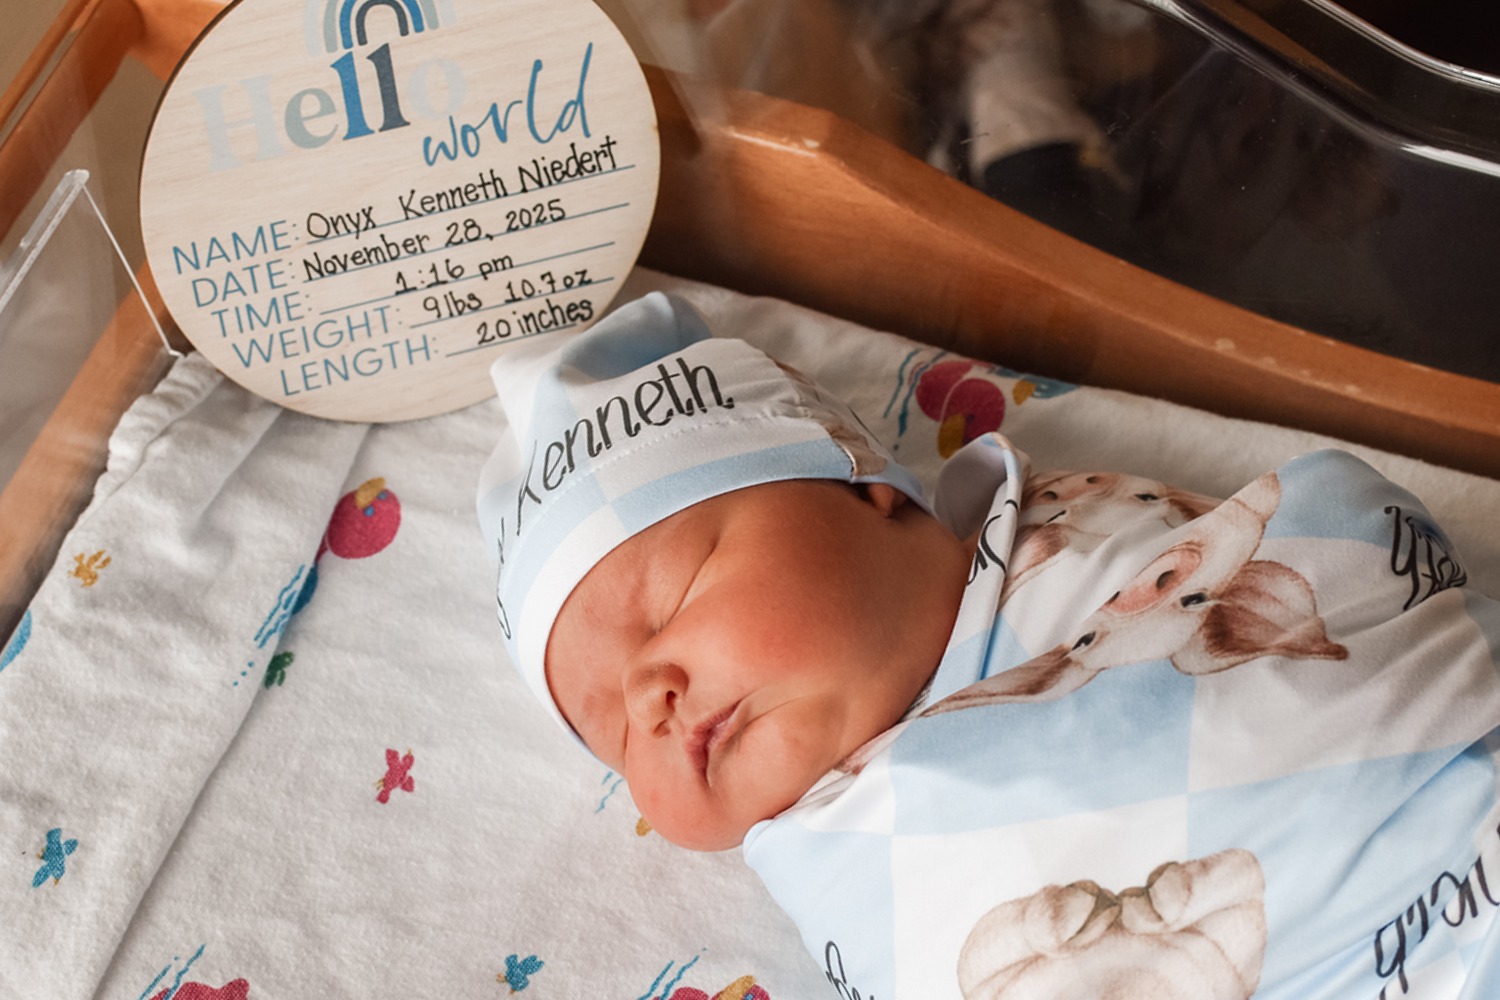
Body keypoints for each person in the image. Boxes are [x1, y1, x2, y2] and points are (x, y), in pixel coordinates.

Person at [478, 292, 1500, 999]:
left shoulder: (1095, 532)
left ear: (860, 486)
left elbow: (1343, 550)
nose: (647, 697)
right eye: (608, 731)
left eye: (670, 600)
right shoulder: (839, 859)